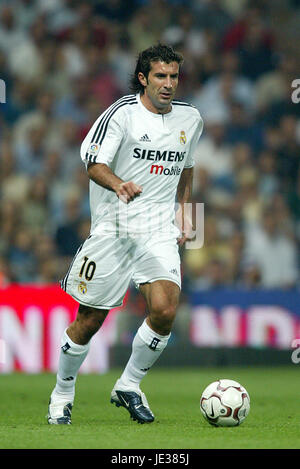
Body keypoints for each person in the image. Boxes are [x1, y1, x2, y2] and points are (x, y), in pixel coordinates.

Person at [47, 43, 203, 425]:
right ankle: (62, 393)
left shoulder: (191, 119)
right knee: (90, 320)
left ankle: (129, 384)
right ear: (143, 78)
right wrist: (118, 184)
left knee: (165, 309)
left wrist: (188, 217)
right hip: (114, 228)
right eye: (160, 77)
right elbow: (94, 162)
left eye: (173, 77)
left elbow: (186, 169)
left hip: (158, 230)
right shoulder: (121, 114)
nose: (168, 84)